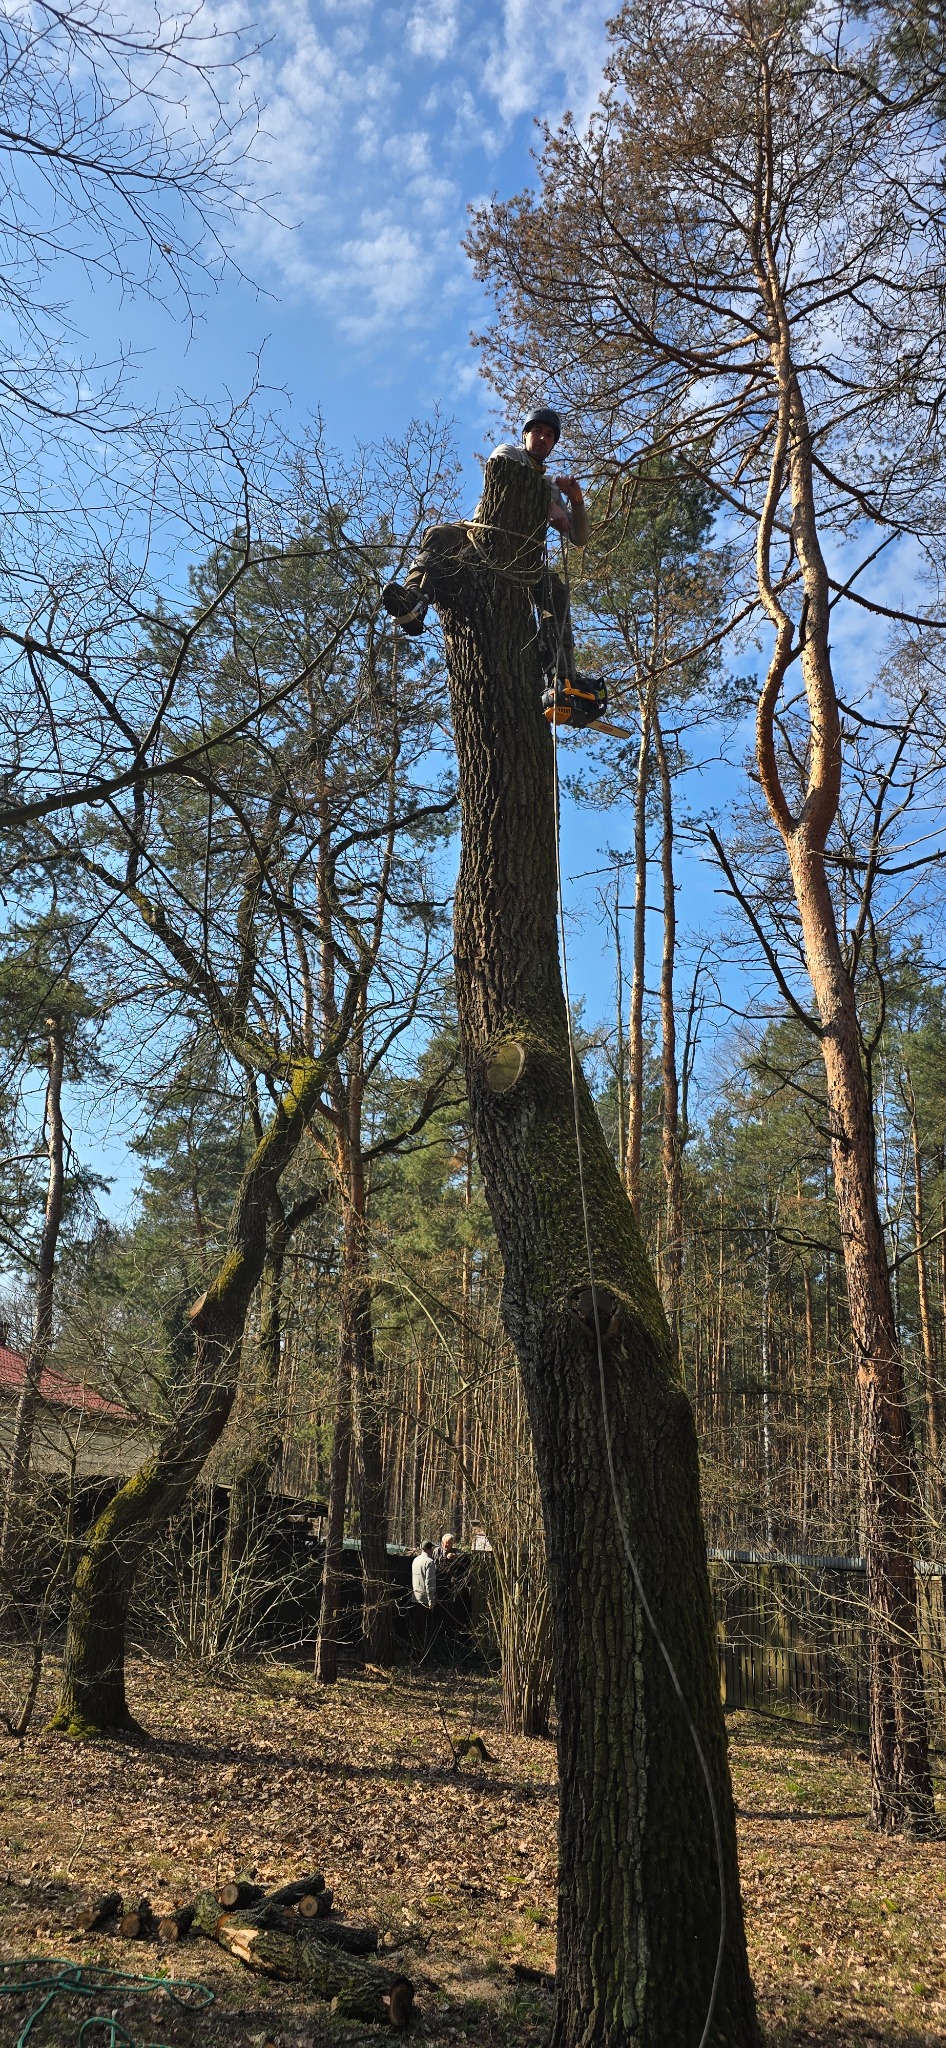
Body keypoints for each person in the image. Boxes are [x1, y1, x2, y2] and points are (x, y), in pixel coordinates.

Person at [381, 408, 595, 693]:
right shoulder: (509, 452)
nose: (543, 438)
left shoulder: (554, 488)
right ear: (525, 435)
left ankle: (561, 676)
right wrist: (547, 504)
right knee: (438, 535)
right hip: (480, 535)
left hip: (525, 554)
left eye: (549, 435)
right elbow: (503, 475)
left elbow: (579, 537)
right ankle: (414, 600)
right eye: (538, 431)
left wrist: (576, 502)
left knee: (556, 592)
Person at [411, 1540, 437, 1609]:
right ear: (428, 1549)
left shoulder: (415, 1560)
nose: (432, 1551)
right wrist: (431, 1601)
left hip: (415, 1597)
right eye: (431, 1549)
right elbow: (429, 1583)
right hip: (425, 1600)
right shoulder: (429, 1562)